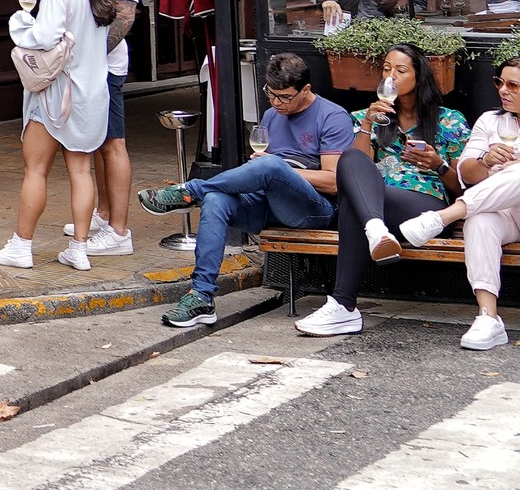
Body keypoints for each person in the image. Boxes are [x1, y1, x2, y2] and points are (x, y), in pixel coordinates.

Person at [138, 52, 354, 327]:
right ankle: (201, 296)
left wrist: (276, 170)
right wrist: (262, 170)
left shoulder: (332, 116)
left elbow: (333, 181)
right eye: (271, 94)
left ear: (306, 90)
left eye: (285, 97)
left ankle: (191, 191)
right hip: (270, 203)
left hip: (315, 209)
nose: (277, 103)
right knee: (217, 200)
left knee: (272, 166)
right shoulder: (271, 115)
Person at [295, 43, 470, 337]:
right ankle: (374, 232)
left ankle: (344, 306)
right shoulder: (369, 116)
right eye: (386, 69)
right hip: (378, 211)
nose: (391, 77)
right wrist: (366, 125)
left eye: (401, 71)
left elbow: (462, 187)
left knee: (353, 203)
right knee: (350, 158)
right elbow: (355, 168)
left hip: (425, 212)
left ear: (419, 76)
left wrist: (438, 165)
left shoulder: (450, 120)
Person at [0, 0, 113, 272]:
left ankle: (21, 246)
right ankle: (80, 248)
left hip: (56, 95)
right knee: (81, 171)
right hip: (91, 96)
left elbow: (40, 37)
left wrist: (20, 19)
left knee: (35, 170)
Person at [34, 0, 142, 254]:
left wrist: (92, 56)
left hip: (106, 68)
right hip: (88, 68)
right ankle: (102, 214)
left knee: (112, 143)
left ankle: (119, 232)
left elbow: (125, 16)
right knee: (94, 140)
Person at [399, 55, 520, 348]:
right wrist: (485, 159)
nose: (503, 90)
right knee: (480, 220)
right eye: (499, 82)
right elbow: (466, 173)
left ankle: (443, 217)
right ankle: (488, 317)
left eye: (513, 85)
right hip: (506, 211)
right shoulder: (491, 121)